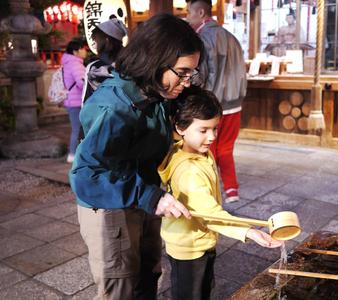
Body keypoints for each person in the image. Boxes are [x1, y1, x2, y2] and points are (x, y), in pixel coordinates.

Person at [69, 14, 203, 299]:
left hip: (144, 195)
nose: (188, 82)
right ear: (155, 61)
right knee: (120, 286)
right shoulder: (115, 107)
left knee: (148, 274)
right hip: (109, 204)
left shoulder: (156, 94)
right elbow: (85, 176)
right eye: (182, 72)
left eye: (193, 73)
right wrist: (151, 197)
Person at [158, 87, 282, 300]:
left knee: (202, 289)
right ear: (180, 127)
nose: (212, 137)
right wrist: (249, 232)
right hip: (189, 247)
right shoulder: (189, 171)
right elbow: (210, 214)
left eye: (215, 128)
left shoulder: (193, 151)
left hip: (197, 238)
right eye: (204, 130)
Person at [186, 0, 247, 203]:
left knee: (207, 148)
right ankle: (231, 190)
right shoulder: (232, 37)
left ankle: (209, 192)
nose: (187, 17)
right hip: (235, 103)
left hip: (212, 104)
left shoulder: (202, 39)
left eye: (189, 12)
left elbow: (201, 75)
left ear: (201, 12)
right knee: (226, 148)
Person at [82, 17, 128, 103]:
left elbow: (87, 99)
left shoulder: (95, 66)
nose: (94, 45)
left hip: (106, 114)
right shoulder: (132, 61)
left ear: (106, 40)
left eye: (95, 41)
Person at [61, 39, 87, 163]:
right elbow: (82, 83)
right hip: (76, 101)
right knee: (78, 129)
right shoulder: (76, 64)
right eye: (83, 49)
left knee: (77, 128)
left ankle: (75, 154)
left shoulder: (68, 63)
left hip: (72, 101)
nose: (85, 51)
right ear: (75, 51)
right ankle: (72, 154)